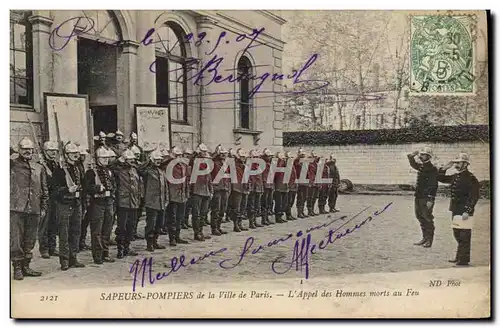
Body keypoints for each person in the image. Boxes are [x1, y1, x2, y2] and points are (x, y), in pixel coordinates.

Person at [10, 138, 49, 280]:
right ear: (19, 150)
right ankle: (17, 268)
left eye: (30, 149)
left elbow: (44, 190)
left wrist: (43, 207)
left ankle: (26, 266)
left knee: (30, 239)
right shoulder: (12, 164)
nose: (28, 151)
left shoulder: (39, 168)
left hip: (34, 209)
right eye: (24, 149)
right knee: (16, 240)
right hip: (16, 209)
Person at [438, 153, 480, 266]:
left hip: (465, 211)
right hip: (455, 210)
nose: (456, 164)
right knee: (457, 233)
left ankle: (464, 260)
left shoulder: (471, 178)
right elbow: (440, 178)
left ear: (465, 164)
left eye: (458, 162)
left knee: (464, 235)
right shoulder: (455, 176)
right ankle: (459, 256)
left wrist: (468, 210)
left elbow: (474, 195)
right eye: (455, 162)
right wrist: (444, 168)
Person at [53, 142, 86, 270]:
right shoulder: (60, 170)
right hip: (64, 204)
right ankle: (65, 260)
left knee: (76, 232)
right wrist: (67, 190)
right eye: (72, 153)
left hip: (76, 203)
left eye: (76, 153)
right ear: (66, 155)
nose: (75, 155)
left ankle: (73, 258)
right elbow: (55, 190)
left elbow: (82, 185)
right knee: (64, 233)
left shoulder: (78, 168)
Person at [84, 148, 116, 264]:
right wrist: (97, 188)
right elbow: (87, 187)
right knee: (97, 230)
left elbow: (113, 184)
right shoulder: (91, 172)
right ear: (98, 159)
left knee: (107, 229)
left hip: (108, 202)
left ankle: (105, 253)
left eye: (107, 158)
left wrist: (112, 194)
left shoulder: (109, 171)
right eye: (103, 158)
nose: (106, 160)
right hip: (97, 203)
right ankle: (97, 255)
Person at [407, 147, 438, 248]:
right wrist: (412, 156)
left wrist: (431, 199)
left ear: (428, 156)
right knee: (419, 216)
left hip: (426, 197)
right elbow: (413, 164)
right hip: (419, 196)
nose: (420, 156)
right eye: (421, 154)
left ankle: (429, 240)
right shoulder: (422, 166)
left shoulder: (432, 168)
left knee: (427, 218)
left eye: (423, 155)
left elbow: (434, 185)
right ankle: (424, 238)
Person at [138, 150, 169, 251]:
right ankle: (149, 243)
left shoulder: (161, 172)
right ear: (152, 160)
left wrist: (166, 198)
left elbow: (166, 187)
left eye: (159, 160)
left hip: (161, 201)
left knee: (160, 223)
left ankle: (155, 241)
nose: (158, 161)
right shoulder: (147, 171)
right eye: (156, 159)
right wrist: (148, 161)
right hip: (151, 202)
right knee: (151, 223)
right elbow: (139, 169)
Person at [112, 149, 140, 258]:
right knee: (121, 227)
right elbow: (111, 166)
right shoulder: (118, 170)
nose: (132, 161)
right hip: (123, 202)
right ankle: (120, 249)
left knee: (131, 226)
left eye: (132, 159)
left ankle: (127, 247)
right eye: (129, 159)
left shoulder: (134, 169)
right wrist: (118, 161)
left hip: (134, 202)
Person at [38, 141, 59, 258]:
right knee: (44, 224)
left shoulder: (56, 164)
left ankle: (52, 247)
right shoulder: (40, 165)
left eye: (55, 151)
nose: (53, 153)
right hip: (45, 197)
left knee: (54, 223)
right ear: (45, 152)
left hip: (55, 197)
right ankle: (44, 249)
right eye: (50, 151)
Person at [165, 146, 190, 245]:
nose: (178, 157)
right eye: (176, 155)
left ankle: (177, 236)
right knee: (172, 218)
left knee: (180, 217)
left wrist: (187, 192)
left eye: (180, 155)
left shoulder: (183, 166)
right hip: (172, 195)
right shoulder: (168, 165)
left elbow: (186, 180)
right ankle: (172, 238)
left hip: (182, 195)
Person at [190, 143, 214, 241]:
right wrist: (195, 153)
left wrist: (211, 190)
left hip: (206, 191)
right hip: (197, 190)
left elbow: (209, 178)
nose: (204, 153)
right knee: (196, 214)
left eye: (205, 152)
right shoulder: (195, 161)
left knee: (203, 213)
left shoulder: (207, 163)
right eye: (203, 151)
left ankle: (201, 231)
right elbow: (190, 161)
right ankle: (197, 233)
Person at [210, 144, 231, 235]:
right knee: (216, 209)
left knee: (223, 209)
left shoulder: (226, 164)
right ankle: (214, 228)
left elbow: (228, 176)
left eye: (225, 154)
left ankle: (219, 226)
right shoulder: (214, 163)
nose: (224, 155)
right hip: (217, 188)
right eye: (222, 154)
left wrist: (228, 187)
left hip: (225, 188)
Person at [247, 149, 264, 229]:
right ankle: (251, 222)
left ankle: (255, 221)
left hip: (258, 188)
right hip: (252, 189)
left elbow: (260, 177)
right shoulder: (249, 166)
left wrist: (261, 188)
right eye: (254, 157)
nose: (256, 158)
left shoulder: (259, 166)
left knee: (257, 205)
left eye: (257, 157)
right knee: (251, 206)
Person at [274, 151, 289, 224]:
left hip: (285, 185)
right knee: (278, 203)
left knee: (284, 203)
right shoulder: (277, 163)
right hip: (278, 186)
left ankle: (281, 215)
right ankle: (278, 217)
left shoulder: (285, 164)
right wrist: (280, 161)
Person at [261, 148, 274, 225]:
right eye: (268, 156)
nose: (269, 158)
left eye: (270, 156)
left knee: (269, 202)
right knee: (264, 203)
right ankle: (264, 219)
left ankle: (266, 218)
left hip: (270, 185)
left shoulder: (270, 164)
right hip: (265, 185)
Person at [294, 148, 309, 218]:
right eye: (301, 153)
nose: (303, 154)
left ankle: (302, 211)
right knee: (300, 197)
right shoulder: (296, 161)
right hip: (299, 182)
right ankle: (299, 212)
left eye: (303, 152)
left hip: (305, 182)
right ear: (298, 154)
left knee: (305, 197)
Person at [285, 151, 298, 221]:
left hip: (294, 186)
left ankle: (289, 214)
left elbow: (294, 176)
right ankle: (288, 214)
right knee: (289, 201)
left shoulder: (292, 166)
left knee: (292, 201)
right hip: (289, 186)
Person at [306, 151, 320, 217]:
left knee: (314, 197)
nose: (315, 157)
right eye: (314, 156)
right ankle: (309, 210)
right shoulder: (309, 163)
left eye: (316, 156)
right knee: (310, 197)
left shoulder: (316, 164)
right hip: (311, 183)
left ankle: (312, 210)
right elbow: (309, 174)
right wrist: (311, 182)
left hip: (316, 182)